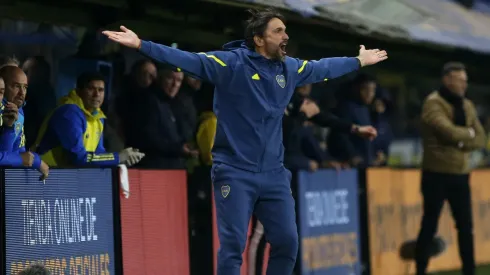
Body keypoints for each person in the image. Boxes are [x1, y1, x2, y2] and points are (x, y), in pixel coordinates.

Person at [103, 8, 387, 274]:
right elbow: (187, 59)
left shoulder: (289, 69)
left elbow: (323, 68)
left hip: (274, 175)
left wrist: (359, 61)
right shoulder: (230, 64)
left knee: (288, 242)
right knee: (233, 247)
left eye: (285, 30)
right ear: (259, 39)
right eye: (278, 31)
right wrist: (141, 45)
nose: (286, 36)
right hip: (234, 173)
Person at [416, 62, 485, 275]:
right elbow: (449, 133)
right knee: (430, 225)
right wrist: (467, 136)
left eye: (465, 80)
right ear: (447, 79)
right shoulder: (433, 103)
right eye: (460, 80)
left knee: (466, 228)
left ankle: (469, 271)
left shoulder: (467, 105)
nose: (464, 84)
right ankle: (421, 270)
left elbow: (481, 138)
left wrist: (463, 139)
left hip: (460, 175)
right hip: (435, 174)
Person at [32, 72, 145, 167]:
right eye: (91, 89)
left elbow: (98, 153)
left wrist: (121, 159)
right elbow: (78, 157)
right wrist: (118, 157)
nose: (97, 94)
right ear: (79, 91)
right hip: (44, 172)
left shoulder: (98, 117)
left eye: (101, 90)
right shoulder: (69, 113)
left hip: (68, 175)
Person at [0, 66, 49, 179]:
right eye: (16, 86)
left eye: (25, 87)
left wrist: (9, 128)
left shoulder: (18, 113)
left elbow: (15, 152)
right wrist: (34, 161)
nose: (22, 93)